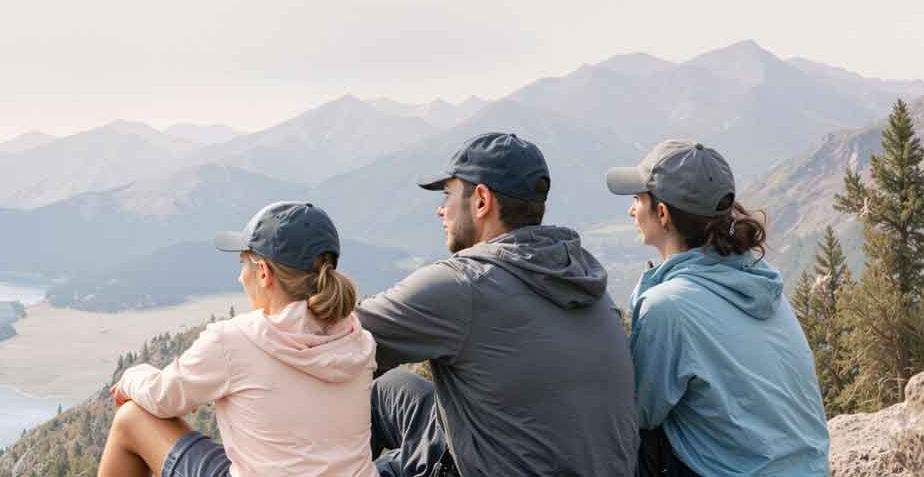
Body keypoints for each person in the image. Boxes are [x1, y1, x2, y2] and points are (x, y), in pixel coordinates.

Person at [355, 131, 638, 477]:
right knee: (390, 389)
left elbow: (344, 335)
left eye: (448, 195)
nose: (440, 210)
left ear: (482, 201)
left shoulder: (465, 285)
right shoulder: (586, 282)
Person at [100, 201, 378, 477]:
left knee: (132, 419)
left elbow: (162, 397)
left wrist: (131, 377)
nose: (240, 277)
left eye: (243, 263)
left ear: (264, 273)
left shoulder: (234, 341)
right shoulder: (358, 340)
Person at [607, 140, 830, 477]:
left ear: (663, 214)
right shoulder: (759, 278)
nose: (631, 211)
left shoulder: (667, 307)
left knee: (623, 436)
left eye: (638, 200)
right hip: (809, 469)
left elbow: (639, 411)